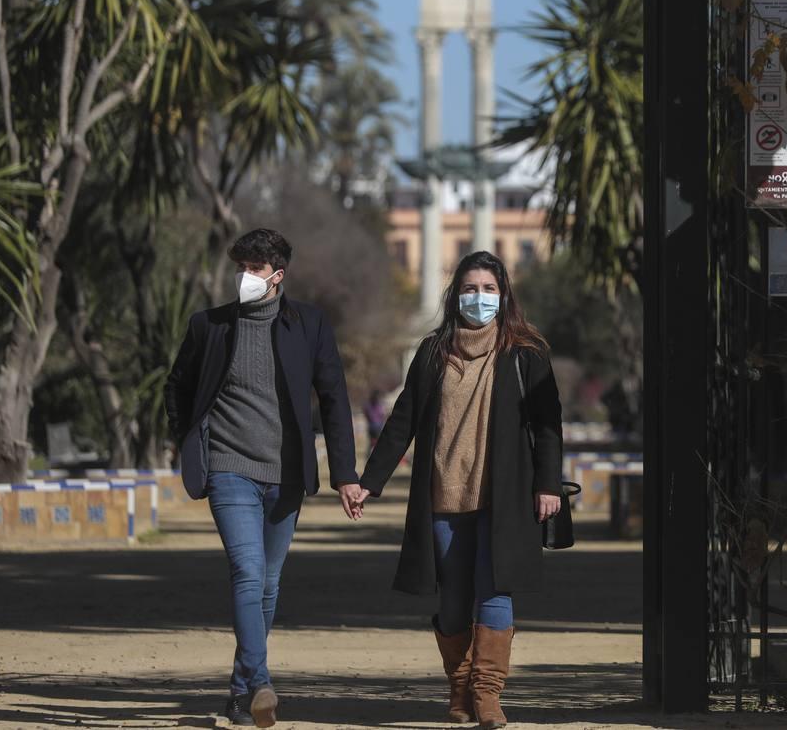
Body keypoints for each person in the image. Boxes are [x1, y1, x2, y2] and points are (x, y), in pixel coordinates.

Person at [353, 250, 563, 729]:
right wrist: (370, 482)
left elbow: (548, 424)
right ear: (455, 296)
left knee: (495, 591)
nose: (479, 298)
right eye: (470, 288)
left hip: (504, 497)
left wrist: (549, 483)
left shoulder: (525, 354)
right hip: (444, 495)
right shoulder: (431, 353)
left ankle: (488, 695)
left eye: (489, 289)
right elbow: (402, 419)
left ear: (504, 295)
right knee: (451, 602)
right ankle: (458, 685)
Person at [164, 228, 364, 728]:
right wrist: (189, 442)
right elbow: (178, 387)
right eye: (241, 267)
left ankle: (239, 690)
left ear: (278, 276)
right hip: (230, 470)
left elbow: (335, 399)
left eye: (254, 269)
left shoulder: (310, 325)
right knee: (248, 574)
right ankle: (260, 683)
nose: (245, 278)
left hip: (286, 475)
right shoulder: (208, 326)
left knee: (269, 585)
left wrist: (345, 475)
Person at [362, 389, 388, 454]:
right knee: (376, 442)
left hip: (374, 426)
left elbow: (366, 413)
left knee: (373, 442)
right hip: (376, 427)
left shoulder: (369, 405)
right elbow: (382, 415)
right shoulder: (378, 405)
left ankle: (370, 454)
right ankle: (373, 454)